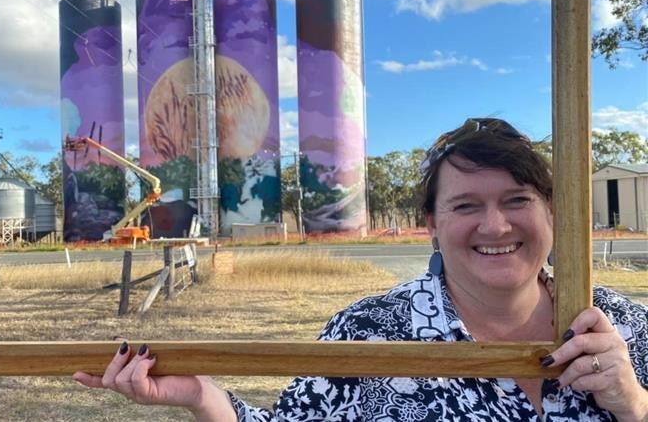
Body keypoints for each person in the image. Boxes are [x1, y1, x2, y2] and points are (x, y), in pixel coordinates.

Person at [74, 118, 648, 421]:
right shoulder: (365, 333)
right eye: (466, 205)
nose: (495, 227)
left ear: (551, 210)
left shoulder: (624, 328)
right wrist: (199, 394)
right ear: (431, 221)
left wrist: (633, 405)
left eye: (518, 200)